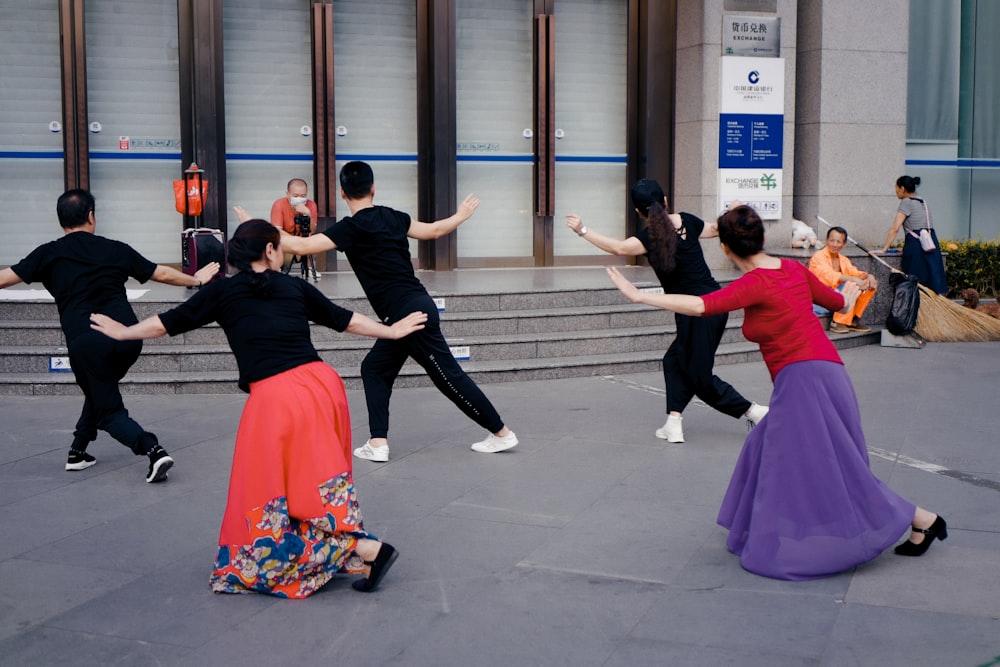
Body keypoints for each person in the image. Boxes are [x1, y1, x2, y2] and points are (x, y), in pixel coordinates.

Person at [606, 204, 947, 580]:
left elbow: (702, 305)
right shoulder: (793, 269)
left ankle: (922, 519)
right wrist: (850, 289)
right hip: (826, 374)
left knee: (829, 467)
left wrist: (641, 297)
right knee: (763, 448)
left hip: (804, 381)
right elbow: (839, 304)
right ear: (761, 238)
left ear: (724, 247)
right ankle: (761, 530)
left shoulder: (754, 282)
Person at [90, 220, 428, 596]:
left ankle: (362, 549)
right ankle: (355, 550)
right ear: (269, 251)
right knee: (315, 484)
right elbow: (344, 320)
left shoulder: (223, 292)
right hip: (322, 385)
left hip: (278, 395)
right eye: (280, 245)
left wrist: (123, 332)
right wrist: (392, 331)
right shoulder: (294, 285)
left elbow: (169, 323)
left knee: (265, 491)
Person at [265, 160, 517, 462]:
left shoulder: (350, 228)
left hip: (409, 315)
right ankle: (377, 443)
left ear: (343, 194)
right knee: (375, 368)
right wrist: (460, 216)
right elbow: (435, 230)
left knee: (448, 376)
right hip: (406, 311)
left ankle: (501, 433)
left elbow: (300, 247)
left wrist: (258, 228)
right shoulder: (394, 217)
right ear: (373, 188)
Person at [0, 189, 219, 482]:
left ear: (60, 221)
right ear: (91, 216)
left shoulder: (47, 253)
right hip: (127, 338)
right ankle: (77, 452)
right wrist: (195, 279)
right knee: (99, 388)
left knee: (108, 410)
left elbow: (4, 278)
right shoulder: (114, 248)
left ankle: (153, 450)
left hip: (87, 343)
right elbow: (162, 274)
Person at [565, 178, 768, 443]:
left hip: (699, 312)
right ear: (665, 202)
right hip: (711, 305)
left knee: (699, 378)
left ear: (638, 212)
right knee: (673, 361)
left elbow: (619, 248)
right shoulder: (687, 221)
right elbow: (717, 228)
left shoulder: (648, 238)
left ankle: (754, 411)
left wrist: (582, 230)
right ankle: (674, 421)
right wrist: (734, 211)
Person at [876, 175, 947, 294]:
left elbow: (895, 228)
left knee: (915, 281)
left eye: (897, 188)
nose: (896, 191)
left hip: (917, 246)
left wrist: (884, 250)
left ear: (902, 188)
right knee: (930, 282)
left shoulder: (906, 202)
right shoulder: (923, 202)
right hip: (931, 243)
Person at [808, 226, 877, 334]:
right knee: (851, 283)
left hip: (837, 299)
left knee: (869, 284)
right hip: (820, 300)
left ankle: (852, 320)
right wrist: (852, 279)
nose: (834, 244)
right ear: (826, 240)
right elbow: (828, 276)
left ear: (844, 244)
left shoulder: (844, 260)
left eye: (838, 242)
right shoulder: (818, 257)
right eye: (831, 241)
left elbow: (855, 273)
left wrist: (869, 276)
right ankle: (838, 322)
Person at [270, 178, 319, 281]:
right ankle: (276, 268)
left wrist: (308, 214)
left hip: (304, 243)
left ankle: (309, 268)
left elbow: (313, 230)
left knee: (316, 239)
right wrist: (295, 241)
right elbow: (277, 230)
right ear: (287, 194)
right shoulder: (279, 204)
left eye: (303, 196)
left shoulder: (311, 205)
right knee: (273, 238)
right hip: (285, 243)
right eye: (295, 196)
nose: (299, 199)